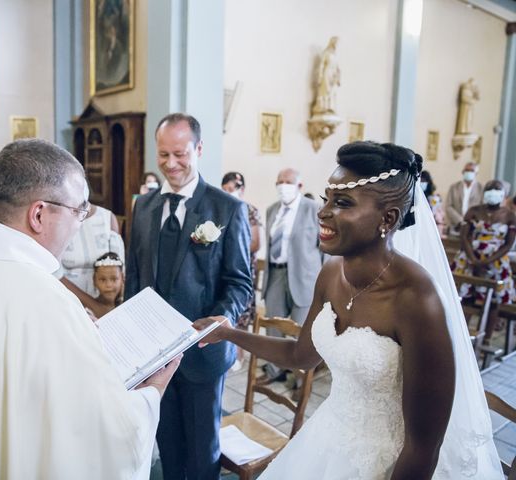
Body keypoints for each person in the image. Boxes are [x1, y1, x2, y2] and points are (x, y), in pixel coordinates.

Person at [195, 141, 504, 479]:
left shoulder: (417, 299)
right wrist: (228, 333)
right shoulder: (330, 273)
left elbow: (423, 446)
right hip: (330, 435)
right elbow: (301, 355)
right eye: (326, 197)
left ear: (387, 218)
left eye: (342, 203)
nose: (323, 211)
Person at [0, 139, 180, 479]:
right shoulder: (42, 299)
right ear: (38, 214)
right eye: (79, 210)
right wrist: (152, 393)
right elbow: (105, 435)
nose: (81, 222)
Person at [125, 113, 253, 479]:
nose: (171, 164)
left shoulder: (227, 208)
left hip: (202, 353)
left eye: (180, 154)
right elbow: (135, 276)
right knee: (169, 448)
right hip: (154, 356)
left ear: (198, 149)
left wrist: (216, 324)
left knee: (201, 453)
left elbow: (240, 282)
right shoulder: (144, 206)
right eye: (163, 155)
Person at [260, 168, 322, 384]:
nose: (283, 186)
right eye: (279, 182)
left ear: (299, 186)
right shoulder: (271, 210)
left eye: (288, 182)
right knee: (274, 326)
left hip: (305, 277)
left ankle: (300, 381)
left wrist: (323, 282)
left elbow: (325, 248)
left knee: (301, 330)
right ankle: (275, 371)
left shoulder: (313, 209)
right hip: (276, 273)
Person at [452, 180, 516, 342]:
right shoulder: (474, 211)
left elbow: (508, 244)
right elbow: (464, 236)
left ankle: (485, 339)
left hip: (495, 262)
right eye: (489, 189)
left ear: (503, 194)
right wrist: (473, 259)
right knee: (466, 296)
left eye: (496, 190)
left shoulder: (509, 215)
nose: (492, 192)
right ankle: (461, 336)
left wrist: (488, 261)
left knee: (493, 300)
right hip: (470, 258)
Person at [221, 171, 262, 369]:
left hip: (244, 269)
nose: (229, 193)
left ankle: (239, 356)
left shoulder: (250, 210)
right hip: (222, 270)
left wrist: (230, 247)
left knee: (242, 311)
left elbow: (255, 244)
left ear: (242, 190)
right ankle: (226, 352)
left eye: (232, 189)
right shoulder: (219, 209)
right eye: (225, 189)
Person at [57, 202, 125, 299]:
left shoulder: (107, 217)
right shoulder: (57, 218)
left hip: (105, 298)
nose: (109, 284)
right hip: (67, 298)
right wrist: (95, 306)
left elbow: (120, 268)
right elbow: (55, 273)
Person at [445, 161, 483, 234]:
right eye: (467, 170)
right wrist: (460, 221)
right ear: (463, 172)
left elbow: (482, 208)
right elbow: (448, 206)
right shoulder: (454, 187)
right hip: (456, 226)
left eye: (472, 171)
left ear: (476, 173)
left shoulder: (481, 188)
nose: (469, 172)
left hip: (473, 227)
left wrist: (471, 221)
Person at [84, 251, 125, 320]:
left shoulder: (128, 306)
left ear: (122, 278)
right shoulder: (88, 312)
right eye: (102, 280)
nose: (108, 285)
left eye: (114, 279)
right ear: (94, 280)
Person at [312, 36, 340, 115]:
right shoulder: (326, 53)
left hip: (333, 75)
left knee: (332, 92)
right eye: (336, 43)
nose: (336, 45)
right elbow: (321, 65)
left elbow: (338, 68)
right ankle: (323, 107)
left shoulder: (336, 55)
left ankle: (330, 108)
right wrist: (320, 77)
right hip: (327, 73)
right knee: (325, 90)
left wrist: (338, 77)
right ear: (332, 43)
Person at [420, 170, 446, 237]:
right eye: (420, 180)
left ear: (428, 182)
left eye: (424, 181)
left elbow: (438, 215)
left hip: (429, 227)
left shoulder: (434, 199)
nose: (421, 182)